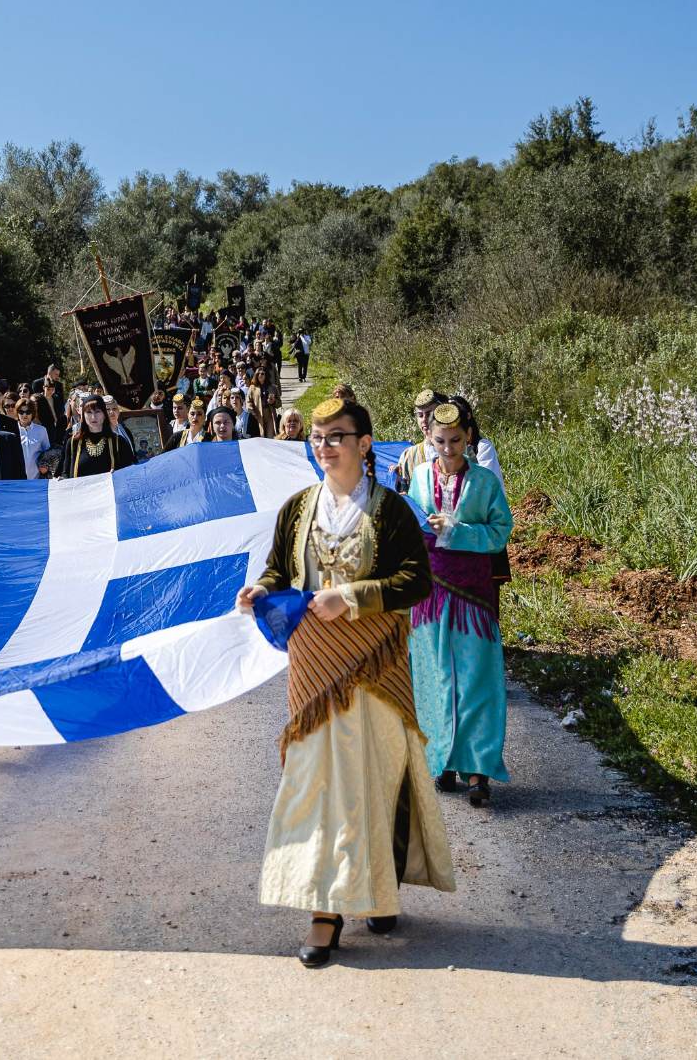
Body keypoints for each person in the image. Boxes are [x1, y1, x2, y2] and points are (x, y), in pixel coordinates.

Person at [235, 398, 453, 967]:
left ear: (364, 444)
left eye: (336, 436)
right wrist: (260, 590)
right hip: (314, 669)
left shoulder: (392, 511)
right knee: (319, 785)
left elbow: (416, 581)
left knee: (373, 783)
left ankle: (377, 891)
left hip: (377, 667)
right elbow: (280, 569)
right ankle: (324, 912)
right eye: (318, 437)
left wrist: (351, 598)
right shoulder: (296, 509)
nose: (325, 446)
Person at [404, 397, 513, 806]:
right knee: (433, 677)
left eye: (455, 441)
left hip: (473, 598)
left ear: (468, 438)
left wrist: (458, 531)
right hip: (429, 595)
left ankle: (478, 769)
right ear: (429, 440)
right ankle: (441, 760)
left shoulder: (484, 482)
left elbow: (500, 532)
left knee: (476, 680)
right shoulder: (417, 476)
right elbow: (409, 526)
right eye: (440, 441)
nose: (448, 449)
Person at [395, 389, 504, 488]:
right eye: (420, 415)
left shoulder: (475, 449)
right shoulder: (408, 456)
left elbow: (492, 492)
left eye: (429, 414)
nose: (424, 420)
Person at [61, 394, 137, 477]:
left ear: (104, 414)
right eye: (89, 412)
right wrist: (62, 480)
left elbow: (130, 473)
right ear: (83, 415)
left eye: (97, 412)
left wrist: (118, 474)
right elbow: (66, 474)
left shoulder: (119, 442)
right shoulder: (73, 443)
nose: (93, 417)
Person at [14, 396, 51, 479]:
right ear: (17, 413)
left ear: (33, 413)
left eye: (28, 412)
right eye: (21, 412)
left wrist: (45, 467)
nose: (24, 415)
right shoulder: (12, 431)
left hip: (37, 478)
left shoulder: (41, 430)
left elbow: (47, 453)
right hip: (17, 479)